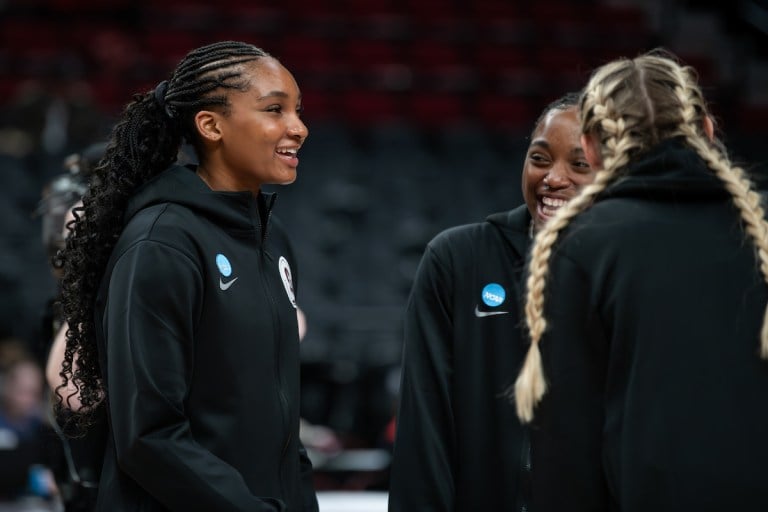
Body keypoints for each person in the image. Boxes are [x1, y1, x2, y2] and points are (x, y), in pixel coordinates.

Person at [58, 41, 318, 511]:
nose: (297, 128)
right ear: (211, 124)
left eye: (297, 110)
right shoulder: (161, 243)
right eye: (274, 109)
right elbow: (150, 436)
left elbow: (281, 424)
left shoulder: (272, 238)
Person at [513, 50, 768, 511]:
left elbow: (568, 447)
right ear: (707, 132)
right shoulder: (760, 229)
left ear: (590, 146)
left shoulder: (585, 245)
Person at [388, 92, 596, 511]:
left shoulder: (631, 275)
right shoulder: (458, 258)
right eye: (540, 158)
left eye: (579, 165)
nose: (553, 178)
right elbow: (423, 428)